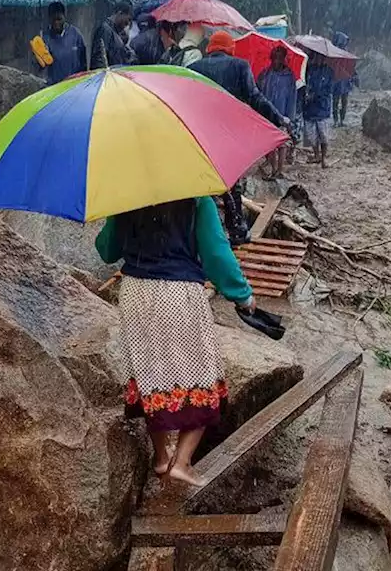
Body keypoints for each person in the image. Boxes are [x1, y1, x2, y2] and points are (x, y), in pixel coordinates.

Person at [95, 197, 255, 487]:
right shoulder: (196, 198)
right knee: (204, 375)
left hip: (134, 294)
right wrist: (242, 295)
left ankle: (161, 458)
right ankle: (182, 463)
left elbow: (108, 251)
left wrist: (114, 215)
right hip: (178, 294)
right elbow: (216, 254)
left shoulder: (126, 194)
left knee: (149, 374)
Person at [189, 32, 289, 245]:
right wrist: (278, 118)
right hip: (228, 136)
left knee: (205, 186)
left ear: (210, 49)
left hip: (202, 136)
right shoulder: (239, 66)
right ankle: (236, 230)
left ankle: (203, 234)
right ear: (229, 49)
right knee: (231, 183)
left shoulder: (194, 69)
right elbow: (255, 97)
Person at [257, 45, 298, 178]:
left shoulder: (289, 76)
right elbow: (259, 93)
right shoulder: (265, 74)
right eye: (274, 58)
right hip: (268, 114)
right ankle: (274, 169)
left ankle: (280, 170)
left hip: (283, 114)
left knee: (282, 143)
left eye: (279, 58)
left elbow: (292, 97)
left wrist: (290, 117)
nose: (276, 61)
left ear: (284, 59)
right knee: (270, 144)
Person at [35, 2, 88, 86]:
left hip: (74, 85)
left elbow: (83, 63)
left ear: (64, 17)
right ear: (49, 18)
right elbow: (39, 68)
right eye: (53, 19)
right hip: (53, 87)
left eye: (59, 19)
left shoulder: (76, 35)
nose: (56, 23)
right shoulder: (44, 38)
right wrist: (41, 54)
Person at [302, 53, 335, 168]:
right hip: (309, 108)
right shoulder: (308, 70)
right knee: (311, 135)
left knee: (323, 135)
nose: (319, 59)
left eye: (322, 57)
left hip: (322, 108)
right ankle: (316, 155)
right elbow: (304, 83)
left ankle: (324, 158)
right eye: (317, 56)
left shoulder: (329, 72)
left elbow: (329, 90)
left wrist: (315, 95)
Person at [91, 0, 136, 68]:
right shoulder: (105, 30)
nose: (128, 24)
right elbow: (99, 58)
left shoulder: (115, 32)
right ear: (120, 13)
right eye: (128, 19)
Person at [330, 31, 356, 128]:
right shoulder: (333, 53)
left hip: (344, 80)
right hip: (337, 80)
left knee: (343, 101)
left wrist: (354, 76)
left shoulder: (346, 53)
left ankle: (341, 120)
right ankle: (336, 120)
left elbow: (351, 66)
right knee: (336, 101)